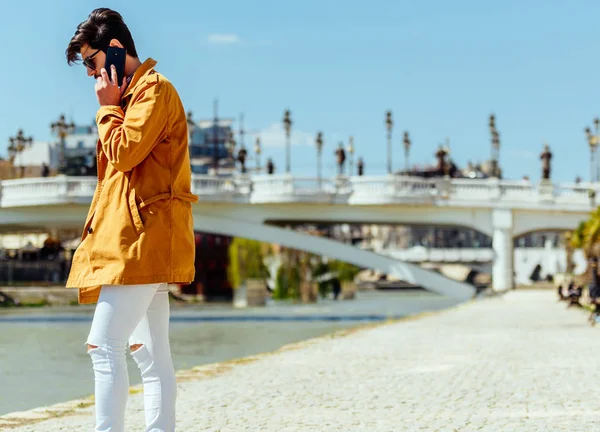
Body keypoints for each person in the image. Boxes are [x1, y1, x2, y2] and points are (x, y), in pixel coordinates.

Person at [64, 8, 198, 431]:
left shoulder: (154, 92)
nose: (90, 74)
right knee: (151, 356)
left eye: (92, 62)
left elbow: (124, 154)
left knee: (104, 347)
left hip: (142, 242)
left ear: (116, 50)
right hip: (141, 238)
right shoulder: (133, 97)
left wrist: (106, 109)